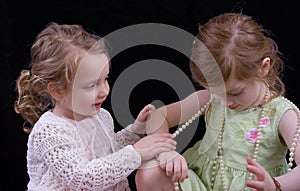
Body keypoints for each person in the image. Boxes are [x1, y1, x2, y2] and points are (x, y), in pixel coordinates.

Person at [135, 13, 300, 191]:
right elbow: (159, 116)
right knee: (149, 171)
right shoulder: (212, 99)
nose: (225, 102)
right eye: (216, 92)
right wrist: (164, 151)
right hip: (201, 185)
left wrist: (275, 185)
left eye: (235, 92)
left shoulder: (281, 114)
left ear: (263, 68)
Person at [14, 22, 177, 191]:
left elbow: (109, 154)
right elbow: (83, 179)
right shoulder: (50, 131)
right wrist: (135, 153)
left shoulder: (101, 116)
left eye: (105, 79)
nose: (104, 91)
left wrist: (134, 132)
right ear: (57, 90)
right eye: (92, 85)